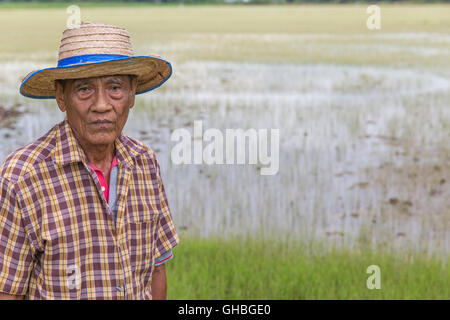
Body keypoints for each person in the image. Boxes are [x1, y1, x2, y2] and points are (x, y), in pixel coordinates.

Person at [0, 22, 179, 299]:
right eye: (84, 89)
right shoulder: (21, 178)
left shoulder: (145, 163)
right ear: (61, 96)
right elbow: (7, 292)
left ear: (132, 93)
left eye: (115, 88)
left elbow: (156, 271)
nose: (102, 105)